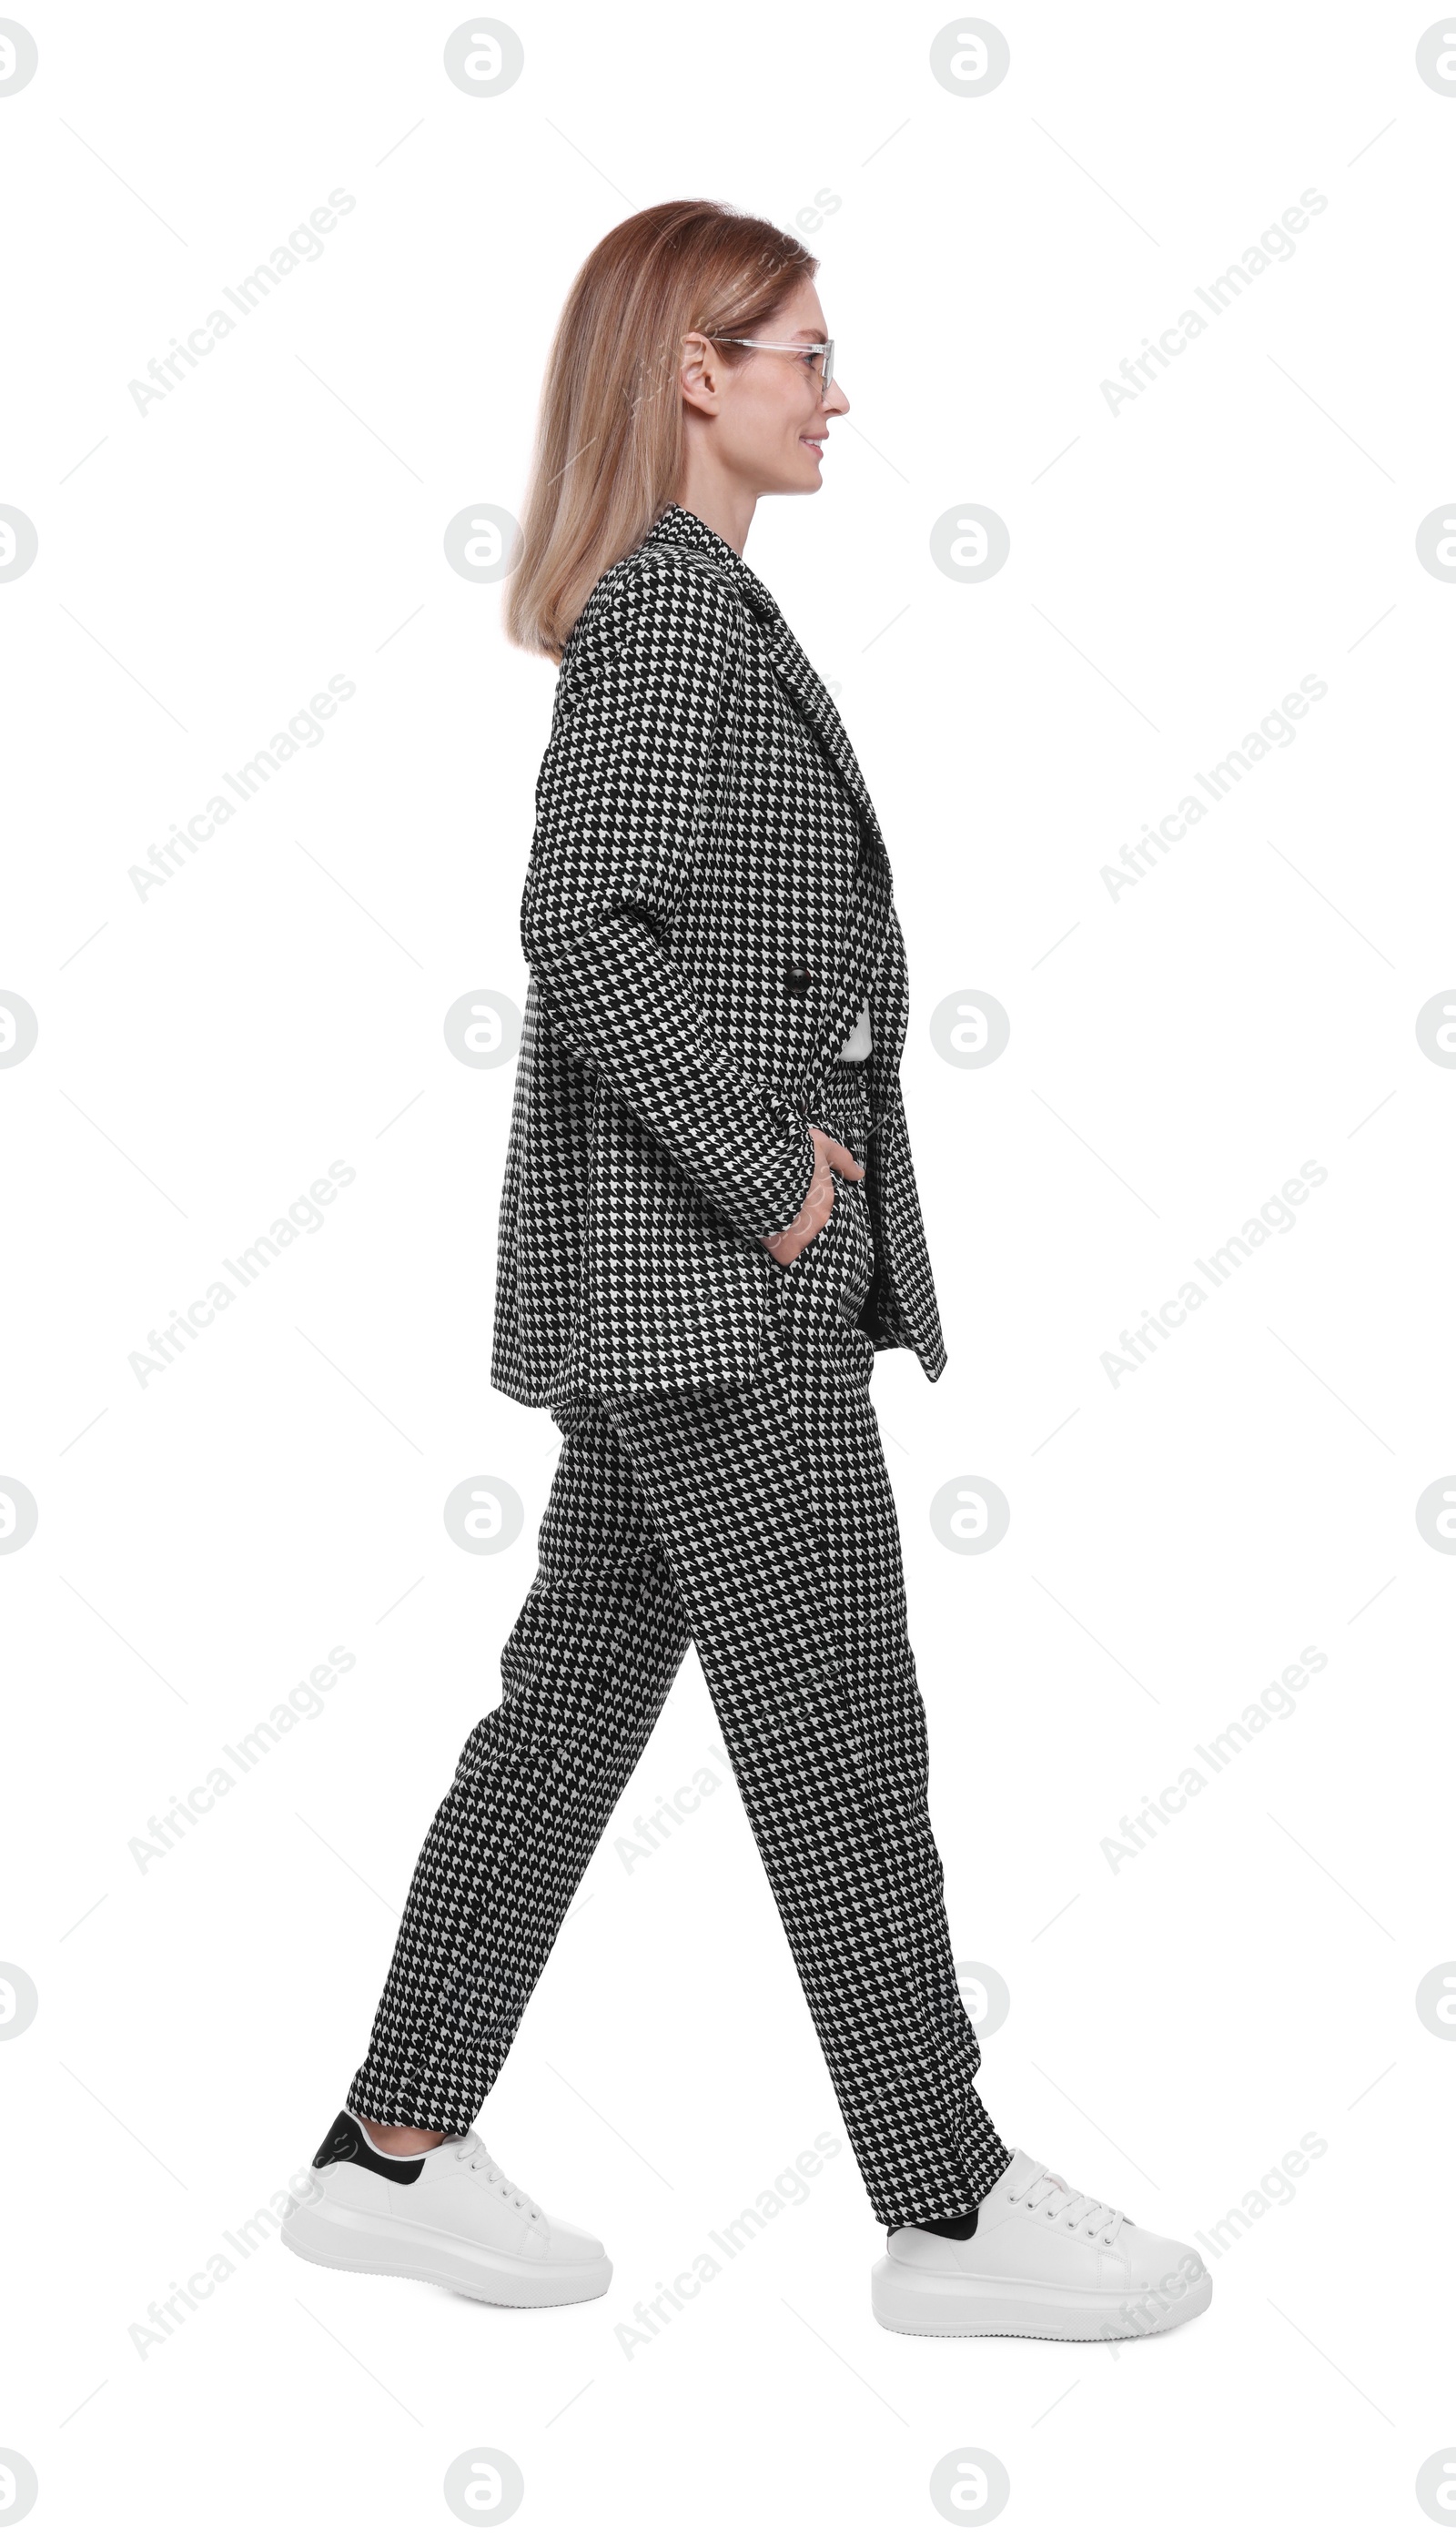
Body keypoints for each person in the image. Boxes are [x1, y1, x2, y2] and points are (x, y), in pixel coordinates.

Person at [282, 199, 1213, 2344]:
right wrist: (776, 1181)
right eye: (798, 348)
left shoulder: (682, 611)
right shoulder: (672, 618)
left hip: (661, 1295)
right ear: (693, 372)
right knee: (837, 1732)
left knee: (569, 1719)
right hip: (719, 1291)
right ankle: (947, 2200)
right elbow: (577, 921)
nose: (834, 387)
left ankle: (387, 2150)